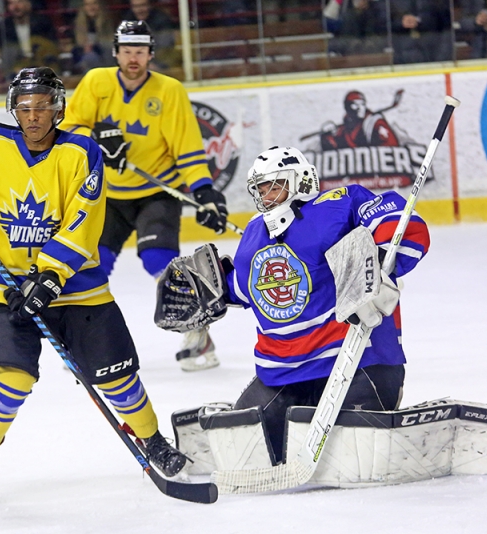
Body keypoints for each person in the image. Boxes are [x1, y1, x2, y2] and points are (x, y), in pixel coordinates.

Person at [0, 66, 187, 499]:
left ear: (58, 109)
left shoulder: (81, 153)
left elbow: (83, 222)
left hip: (78, 285)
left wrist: (49, 277)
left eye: (43, 107)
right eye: (25, 108)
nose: (34, 116)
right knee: (11, 378)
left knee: (116, 376)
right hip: (5, 283)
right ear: (13, 109)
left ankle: (153, 441)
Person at [156, 146, 430, 462]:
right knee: (244, 450)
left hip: (357, 362)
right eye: (261, 188)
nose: (267, 194)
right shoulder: (255, 234)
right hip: (285, 375)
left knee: (354, 454)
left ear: (300, 180)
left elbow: (399, 221)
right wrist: (207, 291)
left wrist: (380, 260)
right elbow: (251, 287)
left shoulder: (338, 204)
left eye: (275, 184)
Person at [60, 21, 229, 372]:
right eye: (126, 51)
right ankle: (88, 342)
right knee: (93, 264)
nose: (132, 58)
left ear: (151, 54)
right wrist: (96, 139)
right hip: (106, 195)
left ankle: (198, 334)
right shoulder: (96, 82)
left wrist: (204, 190)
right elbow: (70, 131)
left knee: (159, 261)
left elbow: (188, 149)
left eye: (140, 52)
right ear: (115, 53)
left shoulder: (170, 91)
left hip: (156, 192)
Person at [0, 0, 58, 75]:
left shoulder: (42, 22)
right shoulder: (5, 26)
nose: (15, 7)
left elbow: (51, 47)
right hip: (17, 67)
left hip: (42, 64)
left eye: (19, 2)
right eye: (11, 3)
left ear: (29, 4)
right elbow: (6, 51)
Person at [73, 0, 115, 70]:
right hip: (85, 58)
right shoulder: (78, 23)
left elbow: (110, 43)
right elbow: (78, 45)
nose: (91, 7)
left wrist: (94, 46)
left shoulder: (108, 21)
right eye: (87, 5)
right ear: (83, 7)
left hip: (104, 56)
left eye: (94, 3)